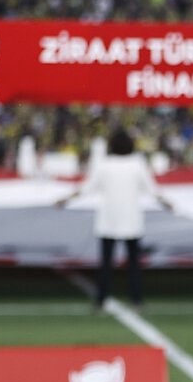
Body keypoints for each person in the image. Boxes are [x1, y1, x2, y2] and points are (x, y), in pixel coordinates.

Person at [55, 128, 172, 310]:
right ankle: (136, 300)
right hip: (131, 220)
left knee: (106, 264)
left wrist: (66, 199)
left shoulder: (105, 164)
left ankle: (101, 300)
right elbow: (153, 190)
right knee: (133, 264)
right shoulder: (137, 165)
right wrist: (167, 203)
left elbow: (86, 188)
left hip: (109, 220)